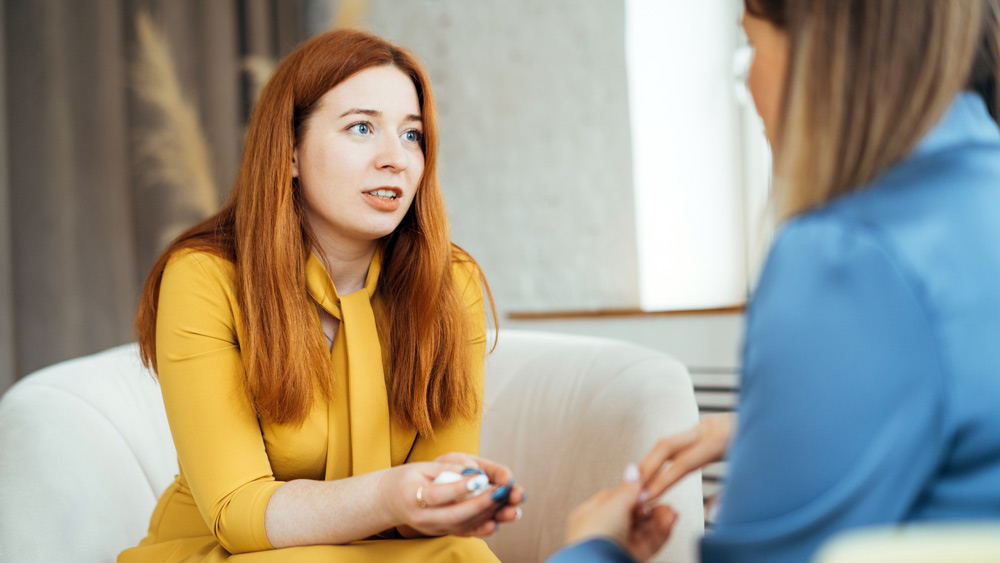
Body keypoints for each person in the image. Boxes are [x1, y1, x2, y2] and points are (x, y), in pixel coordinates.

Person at [550, 0, 1000, 561]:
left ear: (820, 48)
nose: (752, 81)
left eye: (752, 47)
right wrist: (769, 434)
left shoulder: (847, 256)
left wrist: (592, 549)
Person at [119, 29, 523, 562]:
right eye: (361, 127)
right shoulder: (204, 278)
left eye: (412, 135)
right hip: (232, 548)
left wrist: (456, 498)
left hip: (377, 548)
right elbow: (238, 514)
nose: (396, 159)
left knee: (462, 554)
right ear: (289, 152)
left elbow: (427, 506)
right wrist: (393, 495)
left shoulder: (451, 282)